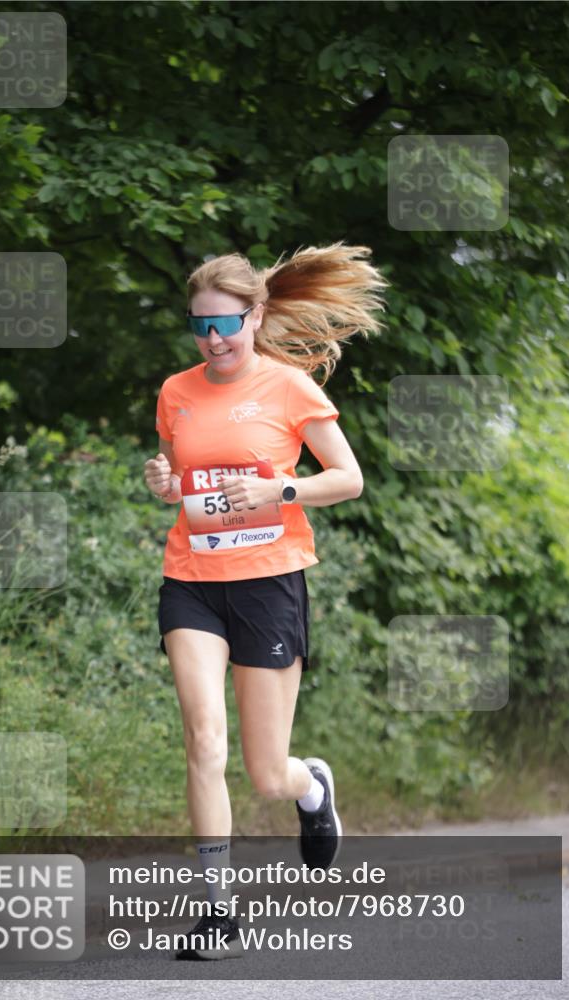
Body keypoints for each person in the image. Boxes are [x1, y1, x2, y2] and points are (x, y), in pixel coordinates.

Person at [143, 241, 388, 960]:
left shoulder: (289, 389)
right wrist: (162, 482)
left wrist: (279, 488)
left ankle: (309, 785)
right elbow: (179, 478)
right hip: (191, 580)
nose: (211, 339)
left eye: (223, 324)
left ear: (253, 317)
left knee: (264, 770)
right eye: (199, 326)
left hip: (268, 582)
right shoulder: (175, 391)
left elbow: (347, 479)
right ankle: (217, 913)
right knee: (202, 740)